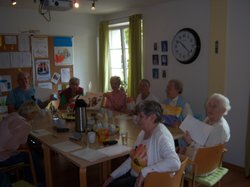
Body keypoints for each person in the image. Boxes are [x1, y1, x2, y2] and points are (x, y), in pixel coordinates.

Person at [102, 100, 181, 187]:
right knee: (110, 183)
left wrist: (145, 171)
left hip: (150, 181)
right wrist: (112, 176)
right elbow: (133, 159)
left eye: (141, 116)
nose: (137, 119)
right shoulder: (143, 132)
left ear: (152, 117)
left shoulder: (161, 136)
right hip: (137, 174)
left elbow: (175, 162)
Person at [0, 100, 41, 187]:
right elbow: (17, 146)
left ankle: (27, 178)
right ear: (31, 114)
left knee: (31, 151)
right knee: (33, 154)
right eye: (36, 114)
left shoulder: (13, 115)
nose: (36, 116)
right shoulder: (24, 125)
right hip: (2, 157)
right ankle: (38, 181)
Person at [180, 93, 231, 160]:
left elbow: (207, 152)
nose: (210, 109)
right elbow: (200, 138)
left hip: (202, 162)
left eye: (214, 106)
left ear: (223, 110)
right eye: (209, 105)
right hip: (195, 154)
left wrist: (190, 142)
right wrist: (188, 145)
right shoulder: (208, 119)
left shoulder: (220, 128)